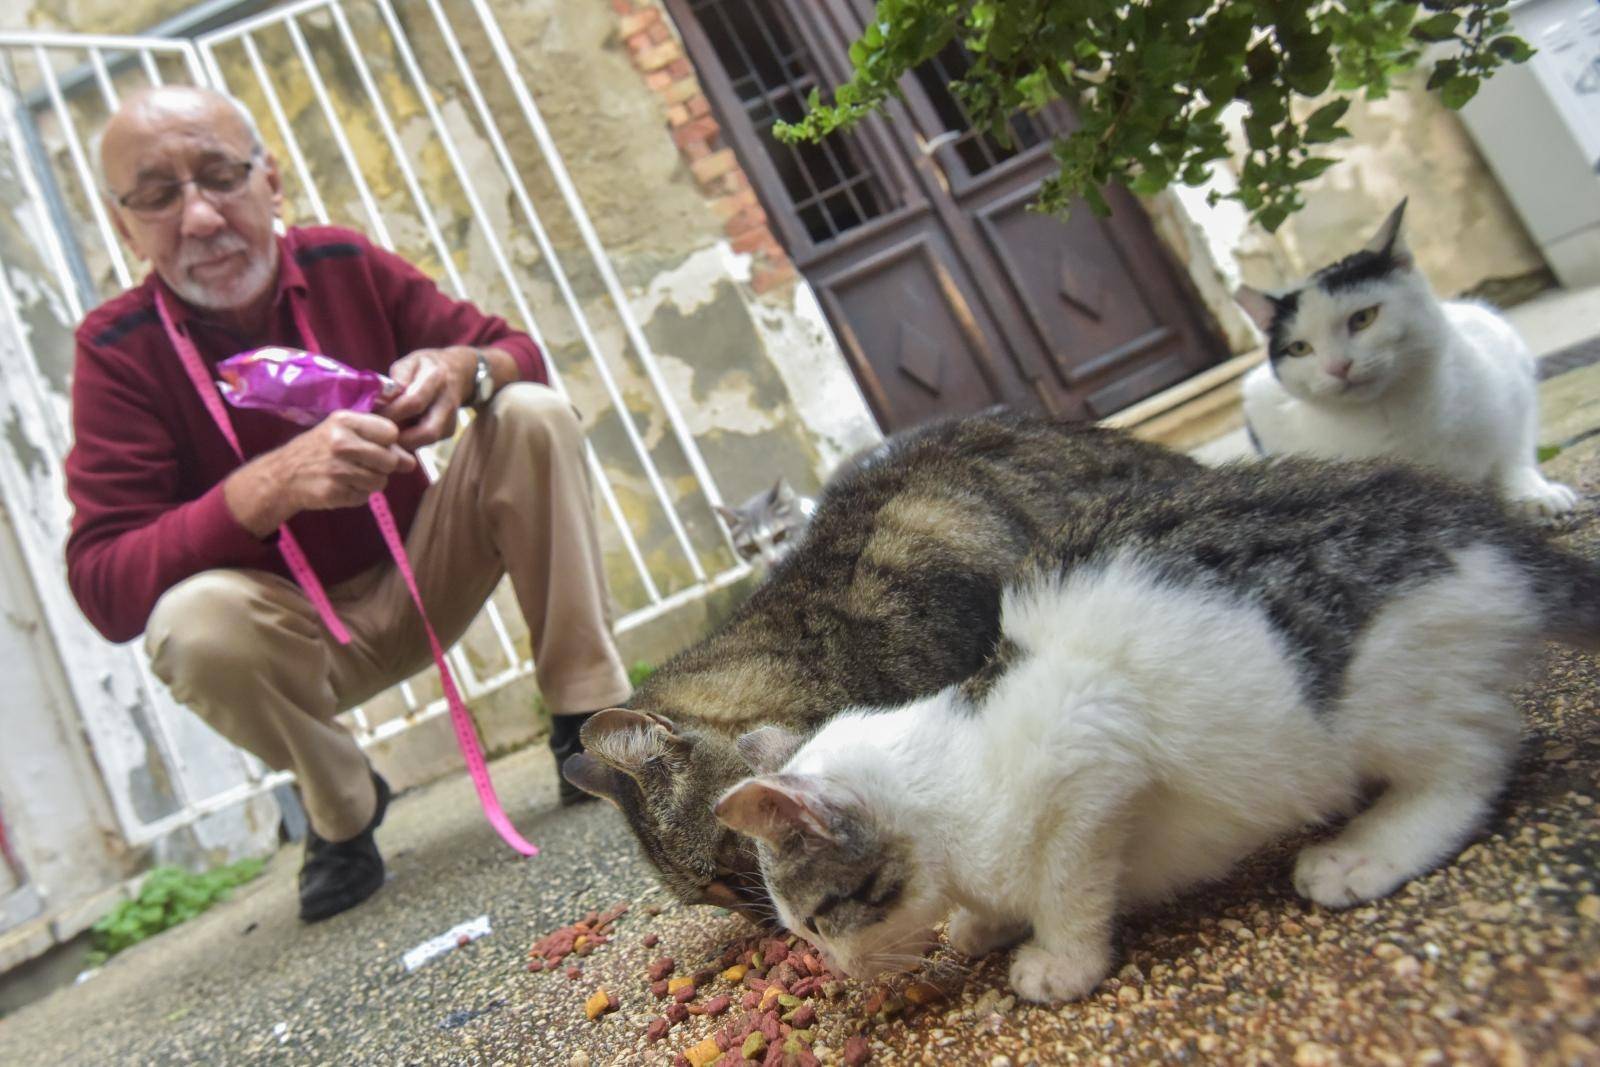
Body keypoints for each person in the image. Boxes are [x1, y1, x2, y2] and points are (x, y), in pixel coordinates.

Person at [64, 85, 631, 922]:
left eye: (221, 176)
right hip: (289, 635)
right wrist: (268, 486)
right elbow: (104, 583)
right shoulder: (117, 350)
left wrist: (459, 369)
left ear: (272, 182)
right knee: (189, 622)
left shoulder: (339, 262)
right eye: (157, 196)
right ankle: (343, 809)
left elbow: (516, 351)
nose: (201, 219)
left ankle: (589, 720)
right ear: (125, 227)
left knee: (529, 412)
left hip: (425, 574)